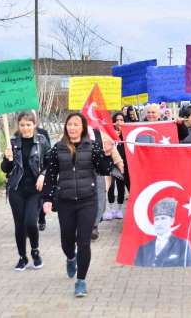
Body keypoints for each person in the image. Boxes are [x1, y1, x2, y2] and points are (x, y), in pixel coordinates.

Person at [42, 113, 114, 297]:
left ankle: (81, 280)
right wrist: (47, 199)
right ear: (66, 127)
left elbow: (104, 169)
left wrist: (107, 154)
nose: (72, 128)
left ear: (82, 128)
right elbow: (50, 176)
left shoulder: (93, 147)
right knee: (67, 240)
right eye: (69, 124)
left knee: (84, 242)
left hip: (87, 200)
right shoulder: (56, 149)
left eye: (76, 124)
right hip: (65, 201)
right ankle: (70, 257)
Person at [1, 111, 52, 271]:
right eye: (22, 125)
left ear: (34, 125)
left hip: (35, 190)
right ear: (18, 125)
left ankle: (35, 251)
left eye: (28, 125)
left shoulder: (41, 141)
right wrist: (7, 158)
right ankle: (22, 257)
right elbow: (5, 169)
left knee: (30, 221)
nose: (25, 128)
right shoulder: (13, 142)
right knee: (19, 225)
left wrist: (43, 175)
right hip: (16, 189)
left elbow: (50, 164)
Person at [134, 198, 191, 267]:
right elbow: (138, 267)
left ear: (172, 220)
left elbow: (190, 267)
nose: (159, 223)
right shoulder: (143, 248)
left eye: (163, 218)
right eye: (156, 219)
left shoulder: (183, 244)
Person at [104, 112, 129, 220]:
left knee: (121, 186)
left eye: (121, 119)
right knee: (110, 186)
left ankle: (119, 209)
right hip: (110, 164)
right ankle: (109, 209)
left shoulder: (128, 134)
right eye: (117, 120)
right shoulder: (108, 134)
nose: (119, 122)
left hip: (123, 165)